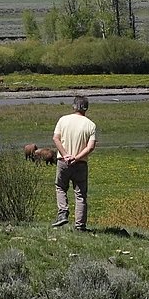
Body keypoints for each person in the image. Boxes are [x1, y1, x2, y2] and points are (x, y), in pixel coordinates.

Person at [52, 95, 97, 231]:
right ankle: (80, 225)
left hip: (63, 161)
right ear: (86, 108)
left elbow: (56, 138)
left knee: (60, 187)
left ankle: (63, 213)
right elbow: (90, 147)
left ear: (74, 106)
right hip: (80, 163)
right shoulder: (91, 125)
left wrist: (66, 155)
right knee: (80, 194)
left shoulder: (63, 120)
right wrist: (76, 158)